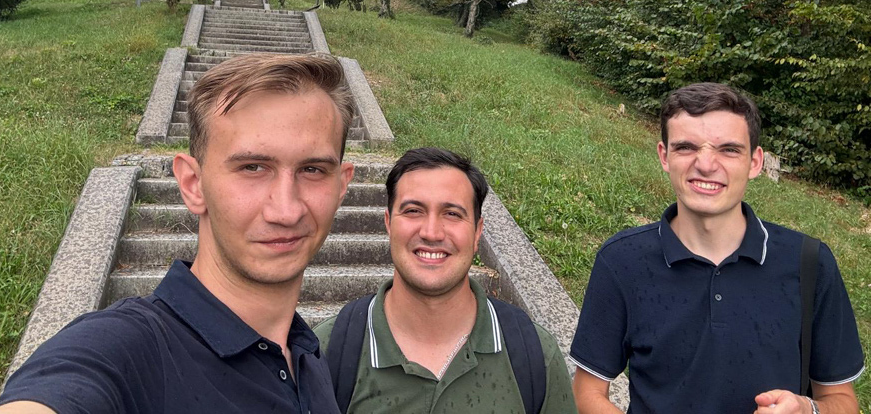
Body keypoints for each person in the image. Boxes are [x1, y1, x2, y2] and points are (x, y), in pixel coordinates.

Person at [0, 53, 357, 413]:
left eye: (312, 170)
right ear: (193, 184)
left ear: (341, 186)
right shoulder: (126, 350)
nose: (287, 210)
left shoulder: (308, 355)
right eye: (253, 167)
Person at [571, 82, 864, 414]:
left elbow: (842, 401)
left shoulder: (809, 263)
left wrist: (807, 409)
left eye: (728, 150)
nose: (706, 164)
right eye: (686, 147)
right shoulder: (622, 261)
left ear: (755, 162)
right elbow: (587, 391)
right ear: (664, 156)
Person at [315, 147, 578, 414]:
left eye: (452, 214)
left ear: (477, 232)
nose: (431, 232)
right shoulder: (324, 352)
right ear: (388, 223)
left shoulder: (536, 355)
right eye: (413, 210)